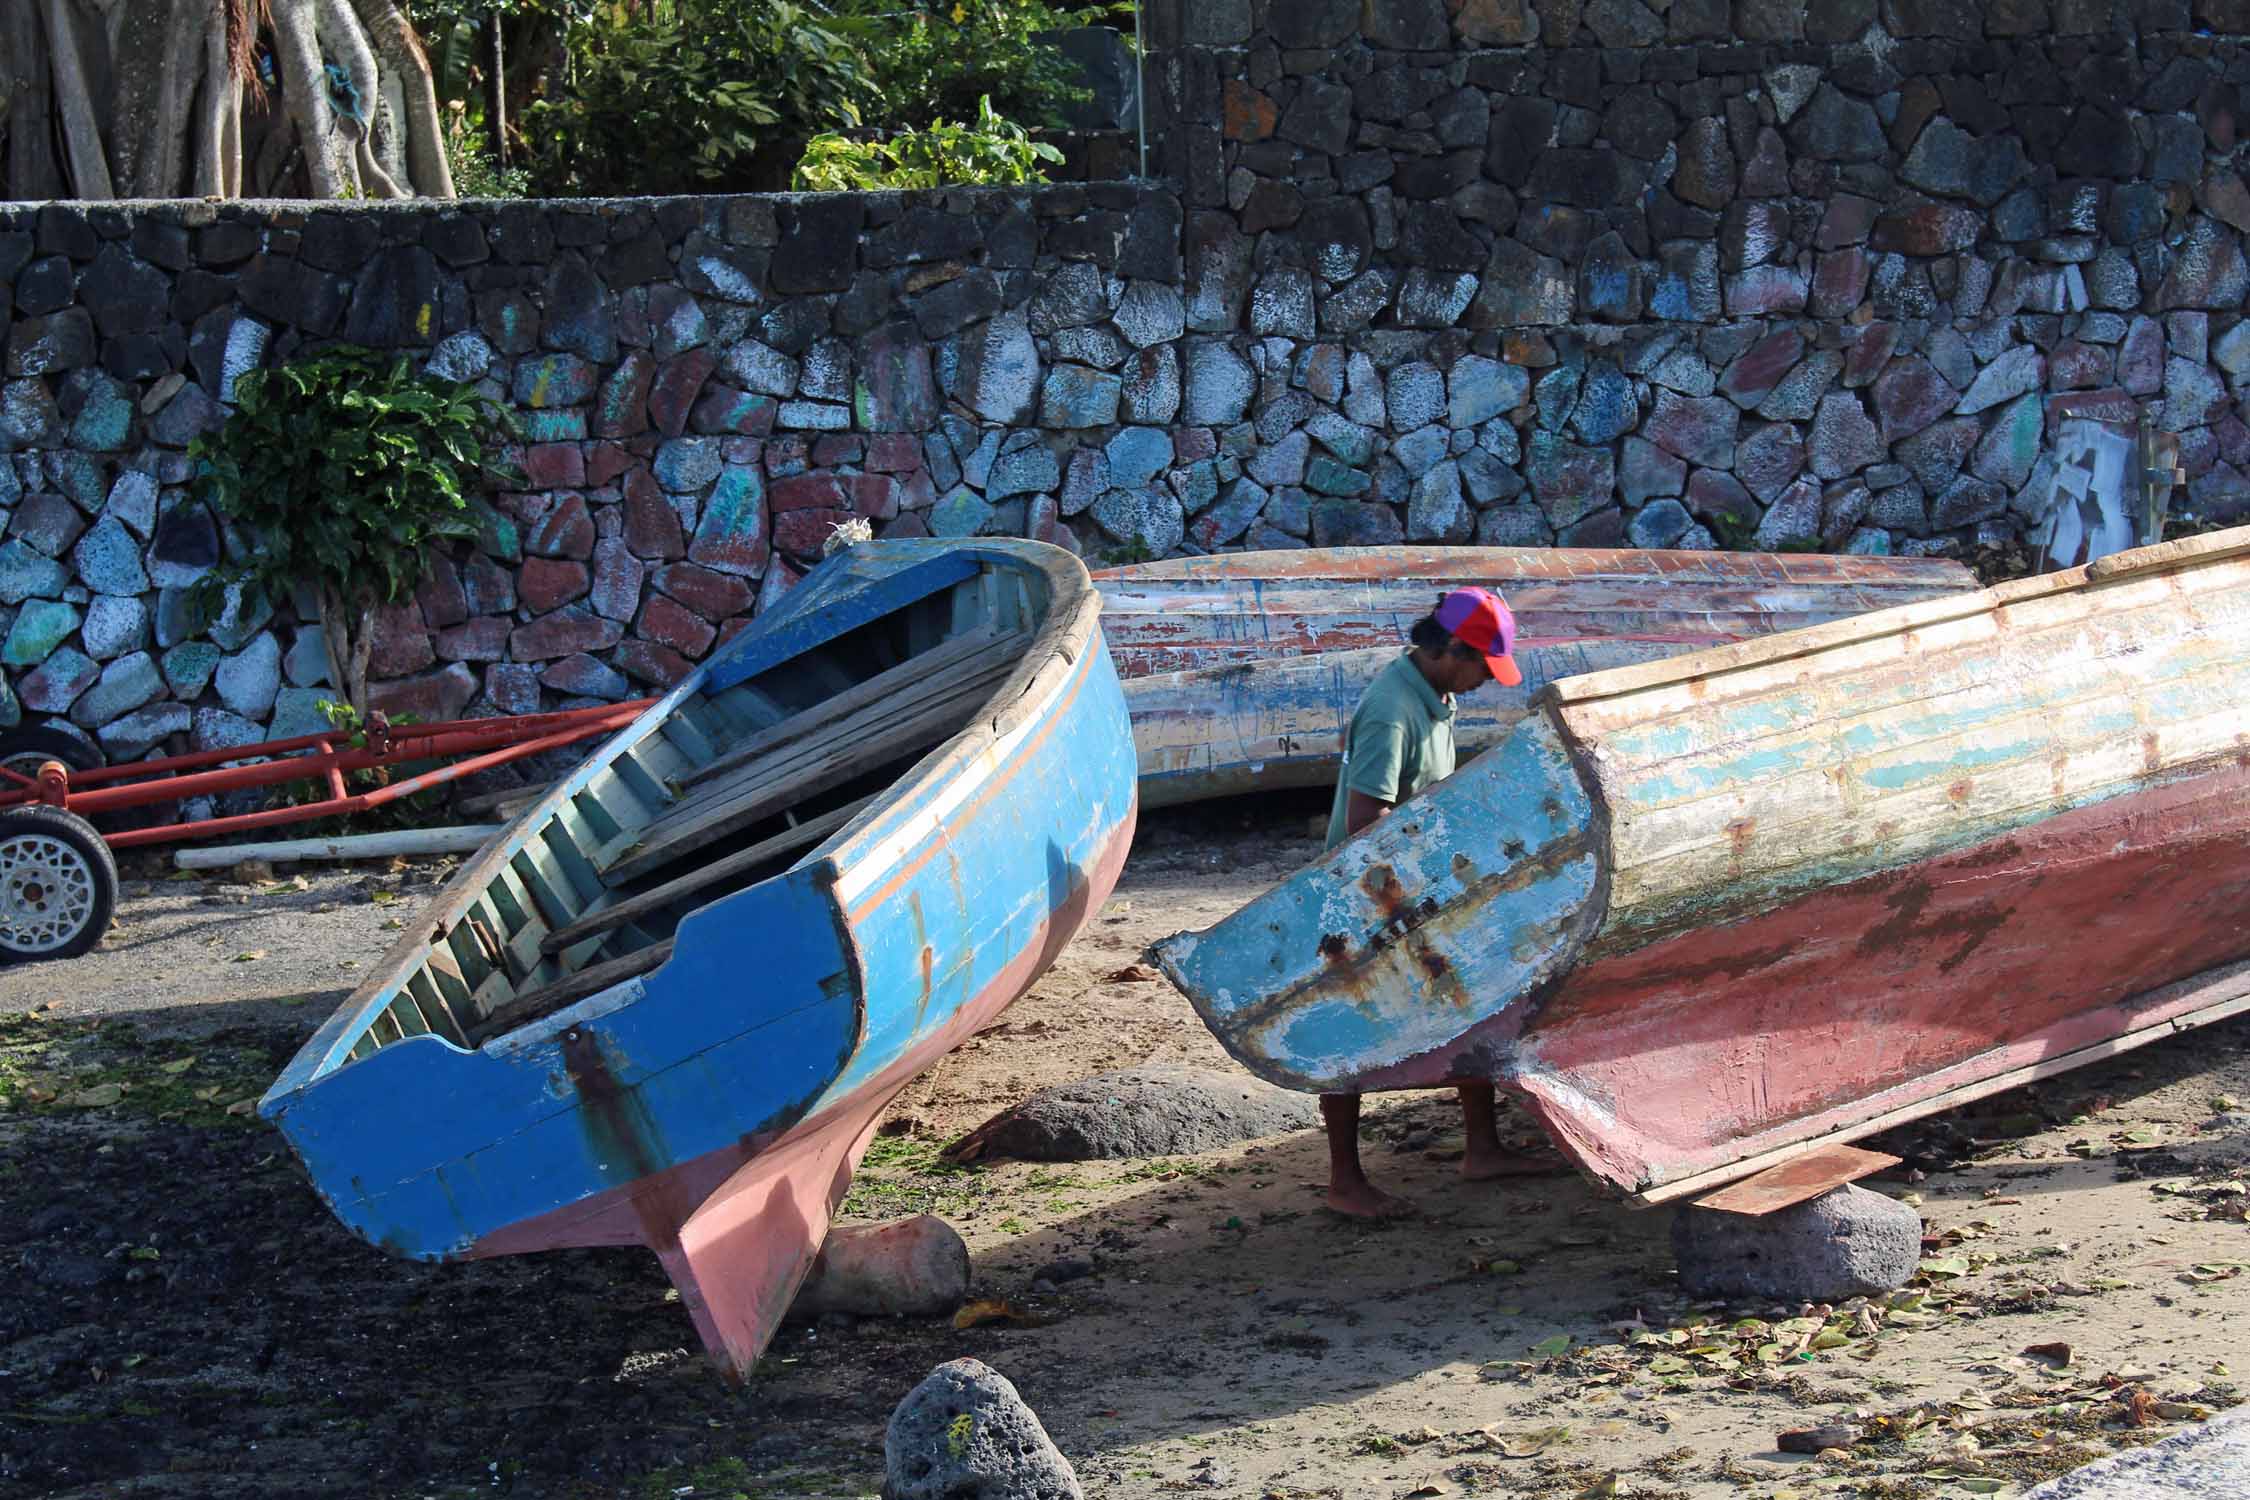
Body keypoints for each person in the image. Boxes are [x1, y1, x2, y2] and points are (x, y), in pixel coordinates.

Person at [1319, 586, 1544, 1218]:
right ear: (1451, 648)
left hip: (1418, 889)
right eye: (1481, 667)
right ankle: (1344, 1182)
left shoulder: (1436, 697)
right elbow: (1368, 826)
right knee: (1350, 1027)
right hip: (1368, 897)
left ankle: (1482, 1147)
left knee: (1471, 1004)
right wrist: (1406, 902)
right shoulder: (1392, 711)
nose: (1484, 683)